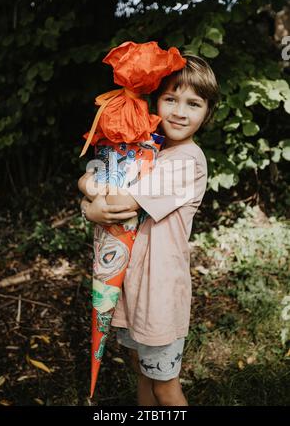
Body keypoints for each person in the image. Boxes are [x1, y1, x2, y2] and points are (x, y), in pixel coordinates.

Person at [78, 54, 219, 406]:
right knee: (143, 376)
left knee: (164, 386)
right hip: (134, 287)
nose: (180, 112)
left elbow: (121, 201)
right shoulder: (150, 151)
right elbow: (93, 177)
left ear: (208, 113)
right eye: (170, 99)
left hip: (159, 294)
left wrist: (89, 202)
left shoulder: (187, 161)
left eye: (193, 103)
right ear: (154, 102)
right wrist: (88, 196)